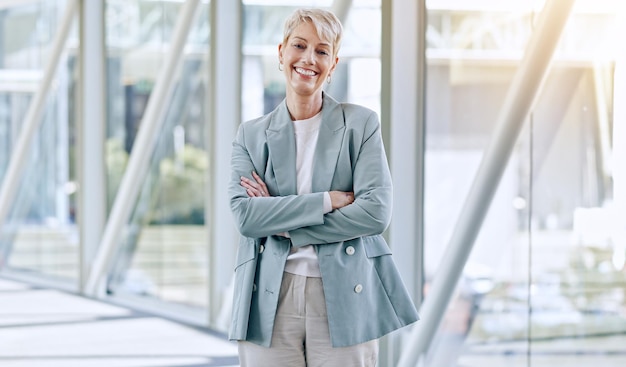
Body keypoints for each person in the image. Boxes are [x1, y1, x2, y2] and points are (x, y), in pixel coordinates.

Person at [228, 8, 419, 366]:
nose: (308, 59)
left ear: (333, 64)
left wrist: (282, 221)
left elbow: (376, 213)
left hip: (344, 294)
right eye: (299, 45)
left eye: (321, 51)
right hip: (268, 294)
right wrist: (327, 201)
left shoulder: (361, 124)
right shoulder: (250, 136)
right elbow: (246, 217)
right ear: (281, 52)